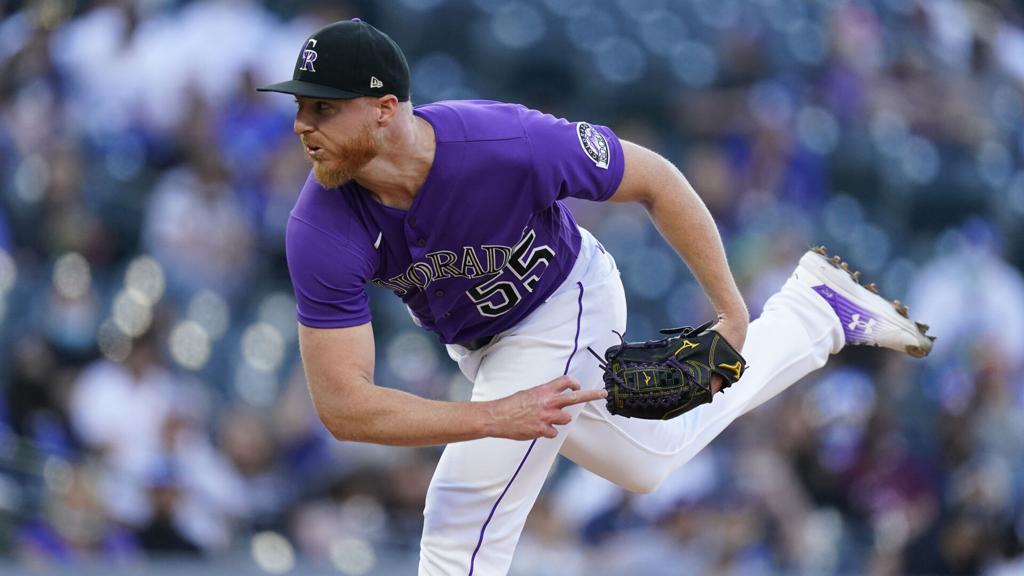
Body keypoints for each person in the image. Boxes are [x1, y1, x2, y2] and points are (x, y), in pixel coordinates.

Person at [258, 19, 934, 575]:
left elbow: (658, 180)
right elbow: (344, 406)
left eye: (323, 107)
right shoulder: (319, 226)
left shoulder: (505, 144)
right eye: (299, 106)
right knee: (649, 460)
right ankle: (815, 313)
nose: (301, 125)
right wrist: (494, 414)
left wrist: (728, 309)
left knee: (461, 514)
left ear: (383, 111)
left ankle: (800, 314)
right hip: (483, 347)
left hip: (567, 299)